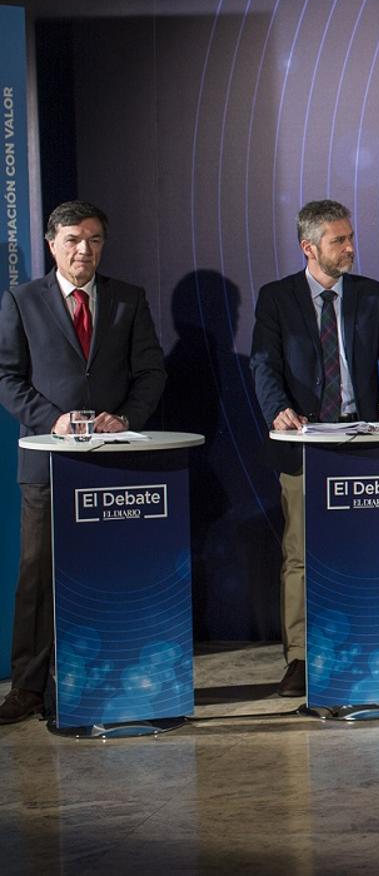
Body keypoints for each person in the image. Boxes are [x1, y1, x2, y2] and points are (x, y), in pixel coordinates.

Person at [250, 200, 379, 697]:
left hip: (363, 442)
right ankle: (302, 658)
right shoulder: (277, 298)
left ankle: (373, 641)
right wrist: (277, 412)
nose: (350, 247)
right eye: (338, 241)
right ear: (309, 248)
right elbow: (263, 366)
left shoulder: (372, 296)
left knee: (372, 549)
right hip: (305, 443)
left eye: (351, 237)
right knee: (301, 555)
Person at [0, 201, 167, 725]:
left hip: (116, 466)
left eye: (94, 239)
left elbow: (150, 373)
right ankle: (28, 688)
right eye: (73, 238)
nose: (83, 249)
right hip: (49, 465)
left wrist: (125, 418)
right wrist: (55, 421)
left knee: (114, 574)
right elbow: (8, 377)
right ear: (52, 244)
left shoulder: (127, 300)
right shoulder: (22, 300)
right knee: (38, 577)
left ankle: (116, 676)